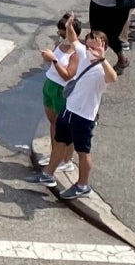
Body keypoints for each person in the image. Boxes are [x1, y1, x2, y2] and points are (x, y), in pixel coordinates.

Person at [48, 30, 118, 200]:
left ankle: (82, 186)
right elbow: (73, 39)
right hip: (70, 109)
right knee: (59, 142)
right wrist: (71, 25)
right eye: (88, 45)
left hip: (84, 117)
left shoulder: (102, 69)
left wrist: (101, 59)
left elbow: (113, 78)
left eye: (95, 47)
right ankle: (47, 175)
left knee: (83, 152)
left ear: (104, 47)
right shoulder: (83, 54)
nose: (90, 50)